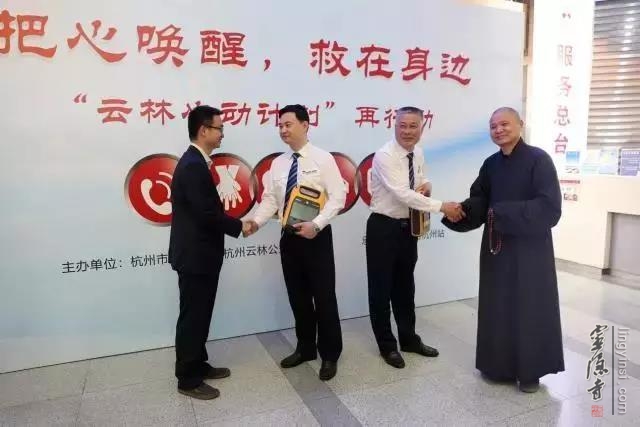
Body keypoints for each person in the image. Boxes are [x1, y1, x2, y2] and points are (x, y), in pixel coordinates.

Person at [442, 107, 564, 393]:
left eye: (504, 124)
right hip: (496, 249)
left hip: (531, 250)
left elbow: (550, 207)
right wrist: (460, 211)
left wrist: (503, 212)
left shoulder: (539, 160)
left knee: (529, 306)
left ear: (520, 124)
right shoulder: (491, 164)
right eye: (493, 126)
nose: (498, 130)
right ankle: (498, 366)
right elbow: (480, 200)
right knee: (497, 305)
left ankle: (530, 372)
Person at [245, 104, 346, 381]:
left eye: (288, 124)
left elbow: (338, 197)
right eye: (280, 125)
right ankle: (306, 348)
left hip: (316, 237)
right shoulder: (278, 163)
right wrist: (256, 222)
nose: (283, 130)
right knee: (298, 297)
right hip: (289, 238)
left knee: (324, 297)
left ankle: (330, 354)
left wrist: (317, 224)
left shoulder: (323, 159)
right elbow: (270, 199)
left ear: (305, 125)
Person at [366, 106, 464, 369]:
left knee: (405, 287)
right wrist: (442, 206)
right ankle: (387, 346)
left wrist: (427, 184)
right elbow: (402, 194)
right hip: (383, 227)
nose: (407, 131)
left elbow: (419, 180)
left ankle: (409, 339)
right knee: (380, 290)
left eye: (413, 126)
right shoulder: (385, 156)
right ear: (394, 126)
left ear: (422, 127)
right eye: (403, 125)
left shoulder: (417, 152)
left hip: (408, 227)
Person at [169, 105, 253, 400]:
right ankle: (187, 379)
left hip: (201, 255)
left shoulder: (196, 162)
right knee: (193, 317)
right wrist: (240, 227)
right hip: (195, 257)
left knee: (200, 314)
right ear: (203, 130)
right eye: (219, 128)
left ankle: (198, 364)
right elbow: (206, 214)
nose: (222, 134)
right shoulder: (193, 165)